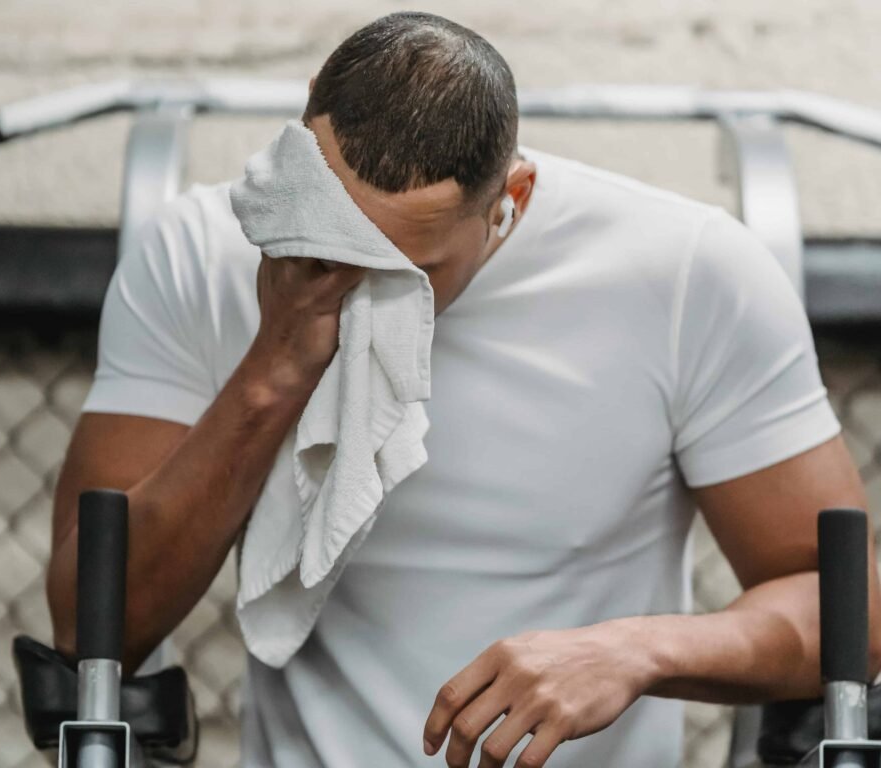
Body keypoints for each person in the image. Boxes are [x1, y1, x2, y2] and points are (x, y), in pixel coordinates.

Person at [45, 11, 881, 768]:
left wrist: (636, 651)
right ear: (304, 123)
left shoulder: (691, 273)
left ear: (508, 200)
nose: (358, 285)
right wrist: (275, 369)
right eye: (331, 232)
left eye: (407, 270)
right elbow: (92, 621)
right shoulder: (198, 251)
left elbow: (851, 615)